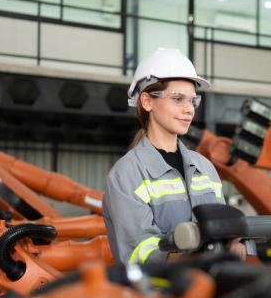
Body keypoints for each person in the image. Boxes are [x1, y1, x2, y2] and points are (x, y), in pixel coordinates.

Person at [103, 48, 245, 265]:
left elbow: (221, 227)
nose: (189, 109)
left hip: (208, 291)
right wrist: (193, 259)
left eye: (192, 101)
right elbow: (140, 252)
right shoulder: (127, 174)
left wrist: (233, 243)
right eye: (178, 99)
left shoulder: (205, 168)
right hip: (158, 296)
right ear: (147, 101)